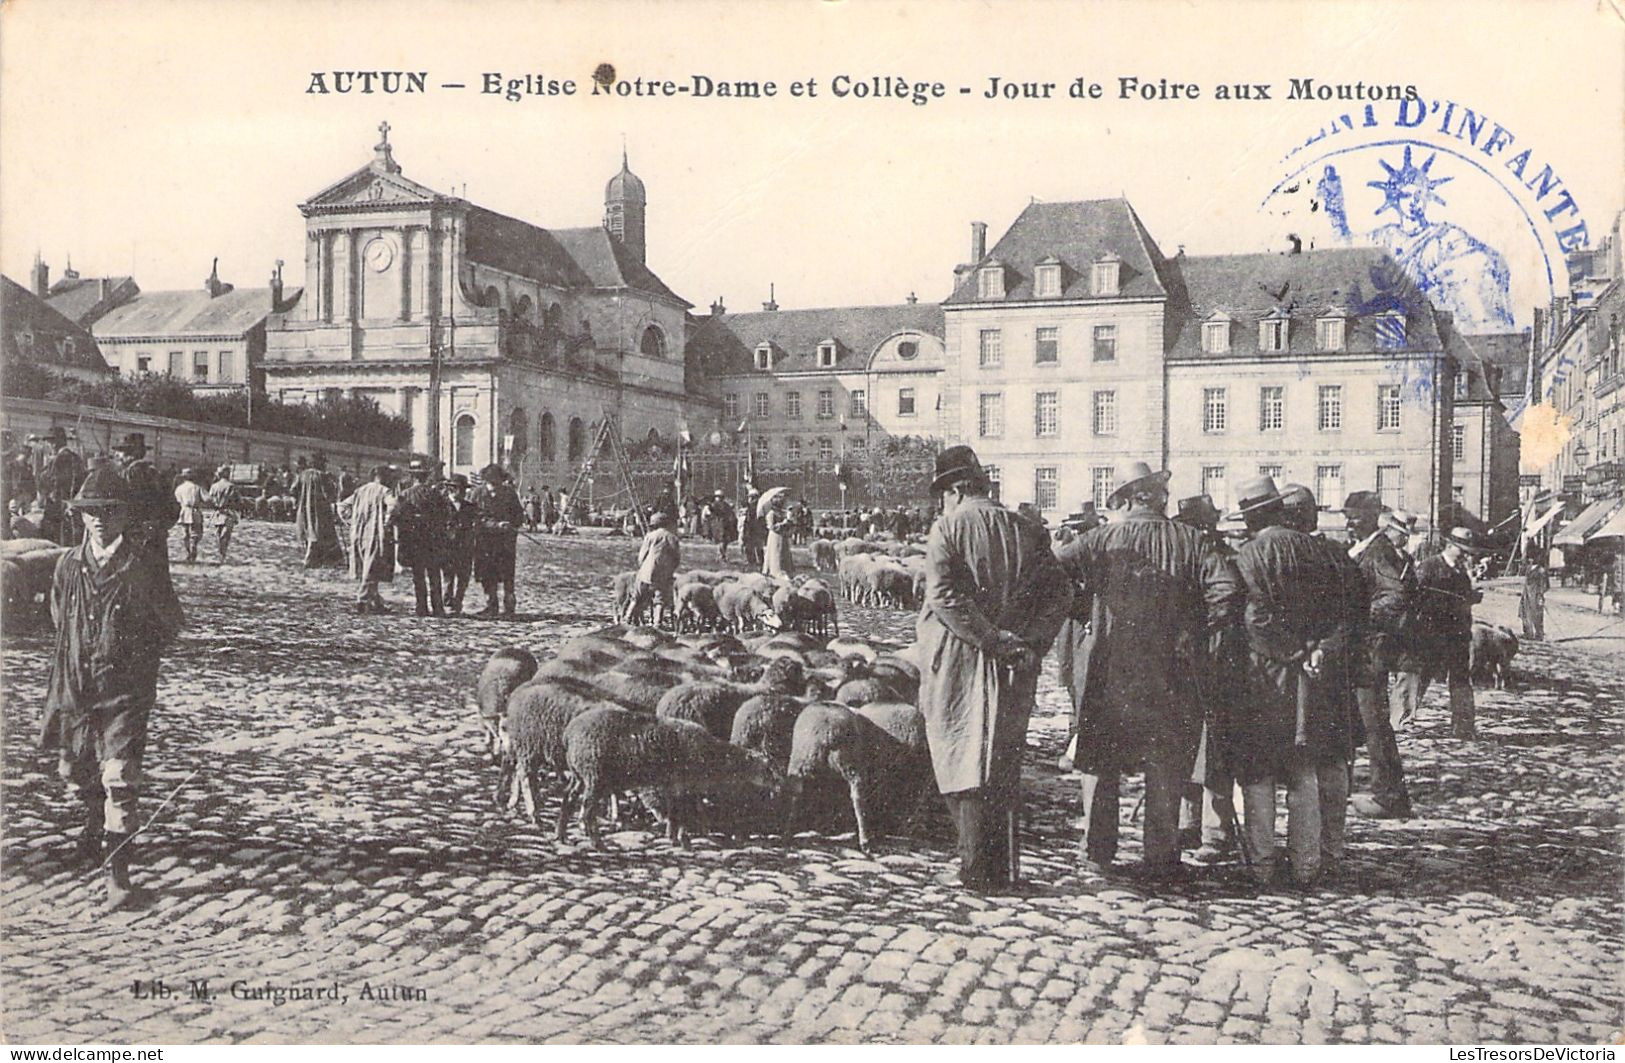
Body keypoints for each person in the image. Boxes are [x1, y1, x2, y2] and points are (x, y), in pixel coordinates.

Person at [1056, 471, 1239, 880]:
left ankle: (1098, 850)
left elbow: (1051, 573)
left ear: (1127, 500)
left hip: (1110, 668)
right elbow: (1226, 590)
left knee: (1100, 762)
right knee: (1165, 763)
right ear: (1153, 498)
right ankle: (1160, 854)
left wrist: (1082, 608)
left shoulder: (1099, 540)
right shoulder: (1191, 540)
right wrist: (1199, 632)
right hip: (1169, 671)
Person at [917, 445, 1071, 891]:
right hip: (1015, 662)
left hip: (962, 657)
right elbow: (1060, 593)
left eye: (944, 492)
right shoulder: (1026, 529)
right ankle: (1004, 867)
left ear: (958, 489)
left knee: (960, 753)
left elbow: (944, 596)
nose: (941, 502)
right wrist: (1032, 642)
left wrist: (989, 638)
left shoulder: (947, 528)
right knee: (1003, 758)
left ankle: (974, 867)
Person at [41, 465, 184, 910]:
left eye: (110, 510)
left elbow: (168, 625)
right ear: (80, 516)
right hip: (76, 687)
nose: (100, 519)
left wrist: (133, 665)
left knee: (120, 778)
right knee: (73, 771)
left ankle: (117, 874)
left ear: (126, 514)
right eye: (91, 511)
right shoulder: (68, 565)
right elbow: (58, 616)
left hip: (125, 690)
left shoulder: (142, 567)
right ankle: (91, 818)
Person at [1225, 476, 1359, 887]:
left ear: (1252, 519)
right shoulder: (1323, 552)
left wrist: (1292, 652)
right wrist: (1316, 649)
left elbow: (1254, 621)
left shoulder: (1247, 557)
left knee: (1258, 772)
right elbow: (1342, 614)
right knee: (1304, 771)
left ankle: (1262, 866)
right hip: (1313, 679)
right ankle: (1306, 865)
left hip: (1263, 679)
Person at [1170, 492, 1247, 859]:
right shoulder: (1184, 555)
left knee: (1212, 745)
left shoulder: (1223, 557)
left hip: (1217, 660)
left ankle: (1216, 831)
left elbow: (1228, 597)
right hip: (1187, 663)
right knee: (1187, 740)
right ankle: (1189, 823)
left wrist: (1199, 628)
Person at [1338, 490, 1416, 820]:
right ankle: (1358, 788)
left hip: (1368, 652)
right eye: (1347, 516)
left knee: (1374, 724)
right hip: (1359, 650)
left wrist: (1359, 617)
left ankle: (1390, 796)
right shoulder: (1364, 548)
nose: (1348, 523)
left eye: (1354, 517)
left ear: (1371, 517)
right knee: (1359, 721)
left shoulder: (1378, 551)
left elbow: (1395, 597)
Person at [1401, 527, 1484, 739]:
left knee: (1460, 679)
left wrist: (1471, 598)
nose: (1465, 555)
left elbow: (1463, 600)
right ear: (1449, 546)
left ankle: (1464, 727)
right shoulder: (1429, 567)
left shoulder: (1460, 571)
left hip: (1457, 635)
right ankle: (1401, 720)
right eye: (1462, 550)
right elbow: (1414, 598)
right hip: (1432, 634)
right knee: (1420, 676)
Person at [390, 457, 452, 617]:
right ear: (426, 476)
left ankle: (421, 607)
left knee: (418, 575)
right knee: (434, 574)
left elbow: (396, 517)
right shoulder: (435, 494)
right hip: (433, 540)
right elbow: (446, 515)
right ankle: (438, 607)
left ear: (412, 477)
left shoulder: (405, 495)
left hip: (414, 541)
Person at [342, 465, 395, 614]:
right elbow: (393, 505)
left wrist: (351, 521)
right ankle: (363, 599)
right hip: (375, 533)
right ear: (383, 477)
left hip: (359, 532)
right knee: (371, 567)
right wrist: (386, 523)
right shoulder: (385, 491)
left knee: (368, 566)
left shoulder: (360, 490)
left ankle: (375, 601)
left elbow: (342, 506)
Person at [475, 463, 525, 616]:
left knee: (507, 573)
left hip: (505, 542)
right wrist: (495, 525)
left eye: (497, 482)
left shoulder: (509, 494)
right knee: (487, 573)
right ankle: (491, 604)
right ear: (485, 481)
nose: (494, 486)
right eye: (491, 483)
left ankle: (509, 604)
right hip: (485, 542)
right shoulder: (478, 494)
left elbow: (519, 516)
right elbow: (474, 516)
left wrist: (511, 525)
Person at [626, 510, 682, 626]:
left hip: (646, 571)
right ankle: (657, 623)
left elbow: (642, 556)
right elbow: (677, 557)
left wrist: (642, 567)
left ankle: (627, 619)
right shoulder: (672, 538)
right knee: (659, 599)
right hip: (663, 573)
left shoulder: (650, 536)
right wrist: (671, 569)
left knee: (636, 597)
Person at [37, 426, 86, 546]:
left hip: (58, 507)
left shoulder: (60, 459)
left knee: (55, 541)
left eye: (50, 442)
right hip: (71, 506)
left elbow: (53, 483)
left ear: (55, 443)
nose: (48, 445)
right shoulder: (75, 458)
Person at [441, 474, 479, 616]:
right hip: (448, 546)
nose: (462, 493)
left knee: (464, 576)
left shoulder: (470, 507)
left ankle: (458, 601)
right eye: (458, 489)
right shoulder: (442, 505)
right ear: (451, 489)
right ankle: (448, 601)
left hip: (465, 547)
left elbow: (477, 522)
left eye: (463, 490)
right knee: (448, 576)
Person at [294, 454, 340, 567]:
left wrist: (300, 499)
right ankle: (312, 559)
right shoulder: (322, 475)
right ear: (320, 464)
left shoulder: (302, 474)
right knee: (319, 532)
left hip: (304, 507)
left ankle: (317, 558)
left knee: (308, 530)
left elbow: (293, 489)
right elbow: (328, 493)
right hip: (320, 509)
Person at [203, 466, 241, 563]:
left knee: (218, 533)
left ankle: (220, 552)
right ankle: (222, 554)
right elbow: (238, 500)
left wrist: (216, 505)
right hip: (228, 512)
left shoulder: (214, 486)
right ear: (226, 474)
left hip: (217, 513)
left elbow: (209, 499)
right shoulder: (231, 486)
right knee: (226, 535)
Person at [173, 469, 206, 563]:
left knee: (185, 533)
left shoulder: (179, 488)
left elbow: (176, 500)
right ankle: (193, 548)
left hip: (184, 511)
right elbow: (207, 499)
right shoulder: (197, 487)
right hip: (195, 511)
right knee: (195, 533)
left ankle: (188, 552)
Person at [763, 493, 795, 578]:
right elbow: (772, 527)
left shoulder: (782, 513)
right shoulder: (771, 514)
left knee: (783, 553)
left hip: (782, 536)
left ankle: (785, 570)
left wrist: (789, 520)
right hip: (775, 536)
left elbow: (789, 524)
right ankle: (774, 570)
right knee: (775, 553)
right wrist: (783, 523)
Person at [707, 489, 737, 563]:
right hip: (719, 525)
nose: (718, 498)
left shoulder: (720, 505)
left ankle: (721, 556)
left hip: (722, 525)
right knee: (721, 541)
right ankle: (721, 556)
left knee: (722, 541)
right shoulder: (719, 504)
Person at [740, 489, 765, 569]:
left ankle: (754, 564)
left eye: (751, 497)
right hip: (754, 530)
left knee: (752, 548)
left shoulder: (754, 507)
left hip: (753, 530)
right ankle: (757, 564)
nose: (749, 499)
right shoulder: (756, 507)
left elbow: (750, 521)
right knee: (756, 548)